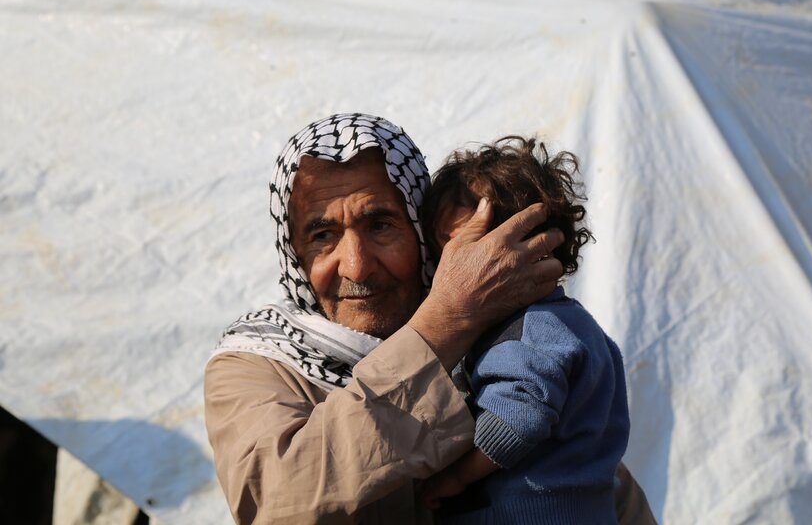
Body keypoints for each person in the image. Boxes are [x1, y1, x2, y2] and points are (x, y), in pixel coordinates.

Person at [204, 113, 656, 524]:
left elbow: (593, 484)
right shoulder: (257, 363)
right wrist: (446, 322)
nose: (356, 266)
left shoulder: (505, 339)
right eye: (323, 235)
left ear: (425, 237)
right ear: (295, 257)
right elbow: (281, 500)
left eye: (381, 225)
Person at [418, 136, 629, 523]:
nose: (453, 263)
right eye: (443, 248)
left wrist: (453, 478)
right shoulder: (573, 324)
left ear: (534, 246)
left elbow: (517, 418)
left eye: (472, 244)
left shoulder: (531, 330)